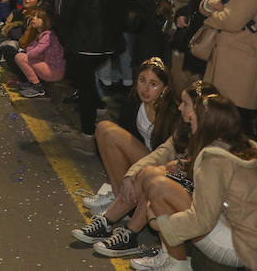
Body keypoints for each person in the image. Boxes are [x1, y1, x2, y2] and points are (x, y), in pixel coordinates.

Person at [129, 91, 257, 271]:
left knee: (159, 186)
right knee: (161, 182)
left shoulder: (213, 159)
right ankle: (174, 258)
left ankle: (177, 264)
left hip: (240, 247)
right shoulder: (239, 145)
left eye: (194, 115)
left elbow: (203, 221)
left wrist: (160, 224)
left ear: (207, 123)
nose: (189, 118)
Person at [77, 58, 181, 223]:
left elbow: (170, 155)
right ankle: (119, 197)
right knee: (104, 128)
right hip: (142, 158)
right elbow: (119, 142)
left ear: (165, 89)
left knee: (110, 132)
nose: (145, 89)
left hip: (160, 166)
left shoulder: (172, 113)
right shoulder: (134, 101)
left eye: (153, 84)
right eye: (142, 81)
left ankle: (122, 203)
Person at [55, 0, 109, 136]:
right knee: (86, 82)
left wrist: (64, 35)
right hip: (100, 41)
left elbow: (64, 12)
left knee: (84, 84)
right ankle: (99, 107)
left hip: (81, 41)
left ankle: (89, 131)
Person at [11, 8, 64, 97]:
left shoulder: (47, 36)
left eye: (38, 17)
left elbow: (34, 52)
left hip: (53, 70)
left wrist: (28, 53)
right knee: (22, 56)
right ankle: (32, 83)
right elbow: (31, 48)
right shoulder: (41, 34)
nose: (33, 18)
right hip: (48, 66)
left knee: (20, 57)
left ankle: (37, 87)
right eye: (34, 16)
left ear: (45, 21)